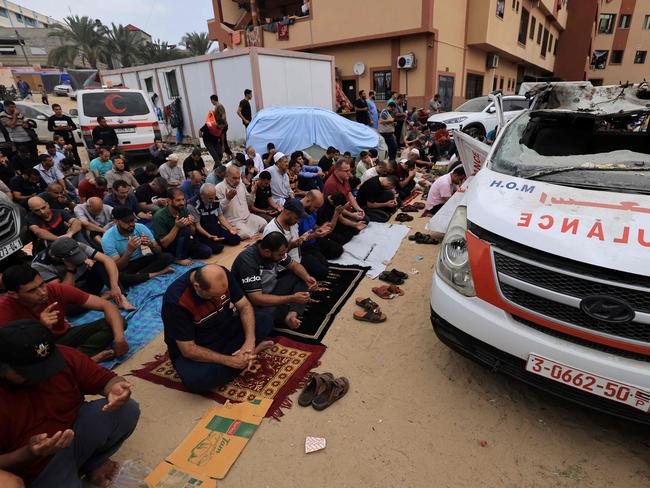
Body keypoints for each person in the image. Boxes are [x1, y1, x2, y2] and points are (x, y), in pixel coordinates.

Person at [0, 320, 139, 488]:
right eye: (32, 371)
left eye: (47, 365)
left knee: (126, 410)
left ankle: (94, 463)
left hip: (74, 432)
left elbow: (106, 379)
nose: (44, 374)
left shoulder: (63, 356)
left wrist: (116, 388)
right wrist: (28, 453)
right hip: (37, 466)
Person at [161, 264, 274, 392]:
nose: (217, 300)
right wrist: (229, 361)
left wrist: (249, 342)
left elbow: (244, 306)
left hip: (225, 329)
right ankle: (248, 357)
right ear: (197, 287)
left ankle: (245, 356)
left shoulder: (222, 274)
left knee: (265, 320)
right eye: (213, 297)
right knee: (196, 379)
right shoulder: (176, 300)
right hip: (200, 345)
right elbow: (188, 350)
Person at [0, 265, 128, 362]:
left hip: (65, 337)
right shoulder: (4, 310)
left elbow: (108, 306)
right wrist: (41, 328)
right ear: (14, 295)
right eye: (32, 290)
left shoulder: (55, 290)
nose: (42, 292)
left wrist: (119, 340)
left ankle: (78, 359)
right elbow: (13, 350)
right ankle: (85, 360)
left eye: (42, 285)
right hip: (38, 348)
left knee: (118, 322)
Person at [232, 232, 317, 330]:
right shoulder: (247, 260)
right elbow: (257, 298)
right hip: (252, 302)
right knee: (265, 320)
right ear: (267, 252)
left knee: (300, 278)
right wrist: (291, 298)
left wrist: (307, 277)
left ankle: (291, 315)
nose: (282, 257)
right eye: (280, 255)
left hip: (270, 290)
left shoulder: (276, 252)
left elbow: (294, 266)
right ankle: (287, 310)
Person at [31, 237, 134, 312]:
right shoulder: (40, 265)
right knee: (69, 310)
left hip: (89, 282)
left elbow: (108, 260)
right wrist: (70, 269)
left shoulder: (72, 245)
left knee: (100, 264)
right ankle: (101, 298)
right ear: (57, 257)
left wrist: (114, 286)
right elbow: (61, 293)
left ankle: (121, 298)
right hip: (74, 292)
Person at [101, 206, 174, 287]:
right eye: (127, 222)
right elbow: (117, 267)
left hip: (141, 260)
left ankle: (138, 276)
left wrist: (150, 245)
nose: (131, 224)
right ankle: (158, 273)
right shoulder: (107, 238)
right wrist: (129, 251)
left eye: (132, 220)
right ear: (116, 221)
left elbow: (158, 250)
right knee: (117, 278)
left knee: (167, 256)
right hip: (126, 266)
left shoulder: (140, 227)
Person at [153, 188, 211, 265]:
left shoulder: (183, 210)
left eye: (183, 199)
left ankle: (183, 255)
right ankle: (178, 258)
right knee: (184, 230)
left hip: (184, 241)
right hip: (169, 247)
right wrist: (177, 227)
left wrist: (191, 223)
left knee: (207, 251)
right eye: (178, 200)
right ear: (169, 201)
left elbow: (192, 233)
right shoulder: (159, 216)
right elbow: (164, 244)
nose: (182, 203)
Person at [298, 190, 343, 279]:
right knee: (322, 272)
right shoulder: (295, 214)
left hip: (312, 242)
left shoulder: (311, 211)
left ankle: (316, 259)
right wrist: (314, 234)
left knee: (337, 250)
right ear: (308, 201)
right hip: (301, 249)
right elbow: (296, 241)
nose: (316, 210)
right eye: (315, 207)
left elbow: (314, 226)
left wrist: (320, 228)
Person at [188, 182, 241, 255]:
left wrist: (230, 228)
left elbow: (220, 216)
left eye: (214, 197)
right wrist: (209, 236)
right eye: (210, 198)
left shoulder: (215, 199)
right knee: (218, 248)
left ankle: (217, 240)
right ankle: (213, 242)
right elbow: (198, 226)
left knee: (236, 239)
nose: (213, 200)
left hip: (215, 228)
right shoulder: (193, 205)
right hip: (203, 233)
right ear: (202, 196)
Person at [215, 165, 266, 239]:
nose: (237, 180)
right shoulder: (218, 188)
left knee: (264, 224)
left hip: (248, 217)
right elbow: (218, 211)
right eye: (234, 178)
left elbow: (249, 203)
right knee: (245, 234)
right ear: (226, 176)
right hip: (234, 221)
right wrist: (227, 199)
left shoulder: (241, 185)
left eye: (239, 178)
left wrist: (252, 193)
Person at [262, 198, 309, 262]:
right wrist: (290, 247)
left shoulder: (292, 223)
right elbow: (272, 258)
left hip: (297, 262)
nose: (298, 221)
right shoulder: (272, 230)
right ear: (287, 213)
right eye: (296, 218)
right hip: (283, 269)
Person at [210, 94, 231, 159]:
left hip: (223, 127)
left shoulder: (219, 106)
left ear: (213, 100)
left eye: (211, 101)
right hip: (221, 126)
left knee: (223, 142)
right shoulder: (217, 106)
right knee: (223, 142)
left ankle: (231, 156)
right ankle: (229, 157)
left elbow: (223, 116)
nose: (211, 102)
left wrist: (221, 126)